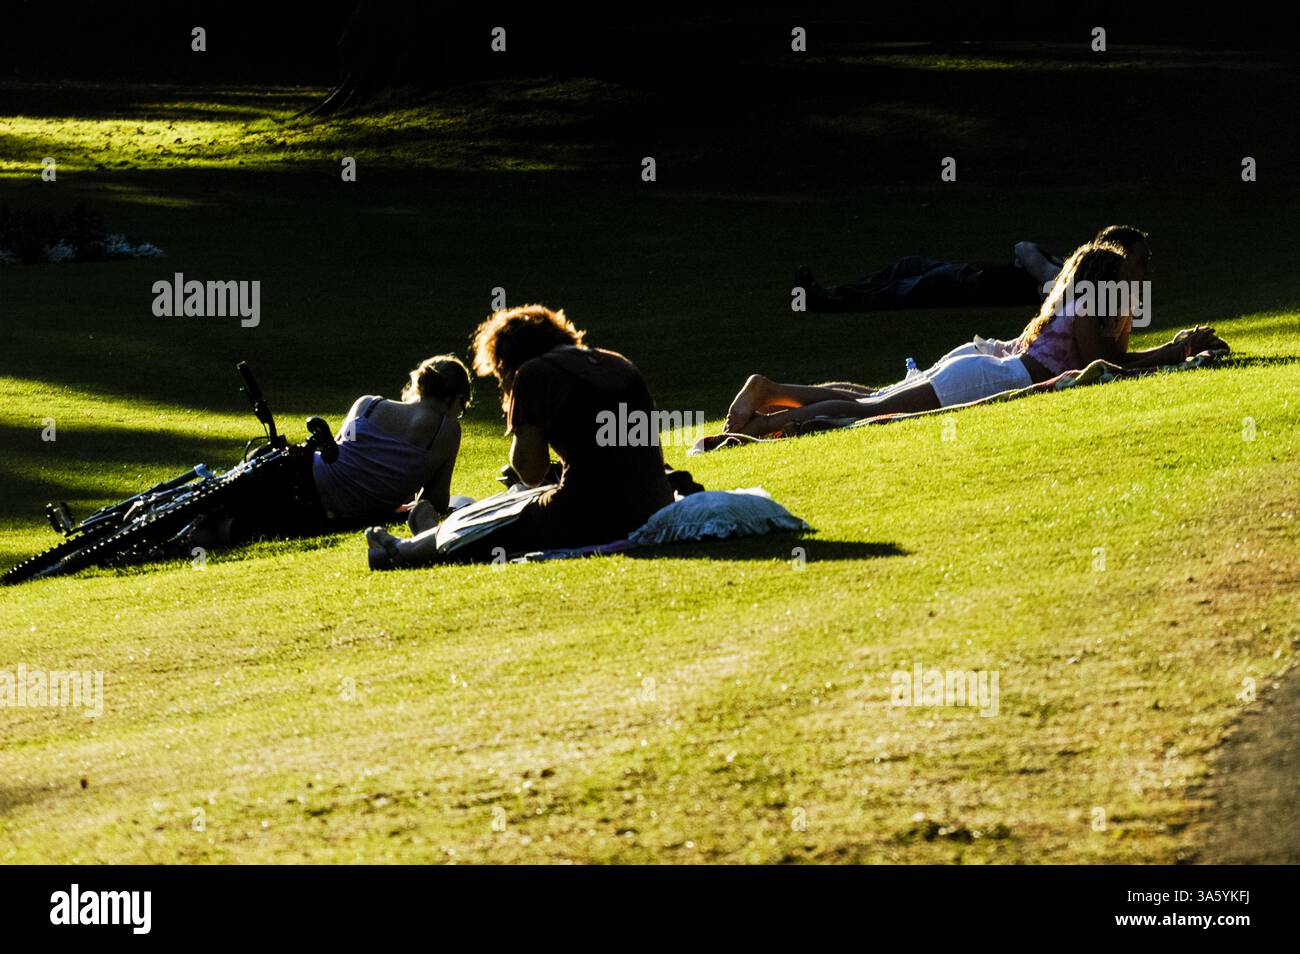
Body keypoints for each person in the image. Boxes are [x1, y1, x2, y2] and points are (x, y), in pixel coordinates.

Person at [727, 241, 1225, 437]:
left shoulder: (1080, 305)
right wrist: (1179, 350)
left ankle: (770, 393)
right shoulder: (1091, 308)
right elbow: (1110, 369)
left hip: (984, 364)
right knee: (867, 410)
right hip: (985, 377)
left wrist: (1180, 346)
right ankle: (768, 424)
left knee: (874, 398)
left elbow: (1116, 358)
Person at [366, 305, 676, 567]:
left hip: (593, 512)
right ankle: (426, 534)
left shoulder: (535, 373)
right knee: (522, 500)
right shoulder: (617, 362)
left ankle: (405, 551)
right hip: (653, 503)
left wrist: (519, 412)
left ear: (506, 361)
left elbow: (529, 471)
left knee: (501, 517)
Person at [203, 354, 471, 544]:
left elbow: (340, 452)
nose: (461, 413)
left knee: (230, 489)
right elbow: (436, 500)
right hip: (325, 508)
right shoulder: (446, 431)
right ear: (455, 399)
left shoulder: (369, 404)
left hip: (304, 474)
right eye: (464, 406)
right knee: (237, 526)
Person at [796, 224, 1152, 313]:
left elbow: (1025, 251)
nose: (1145, 267)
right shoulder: (1082, 274)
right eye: (1140, 258)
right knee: (907, 266)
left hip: (969, 284)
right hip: (969, 275)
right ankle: (835, 291)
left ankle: (824, 299)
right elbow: (1026, 254)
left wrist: (1034, 264)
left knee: (896, 290)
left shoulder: (1087, 283)